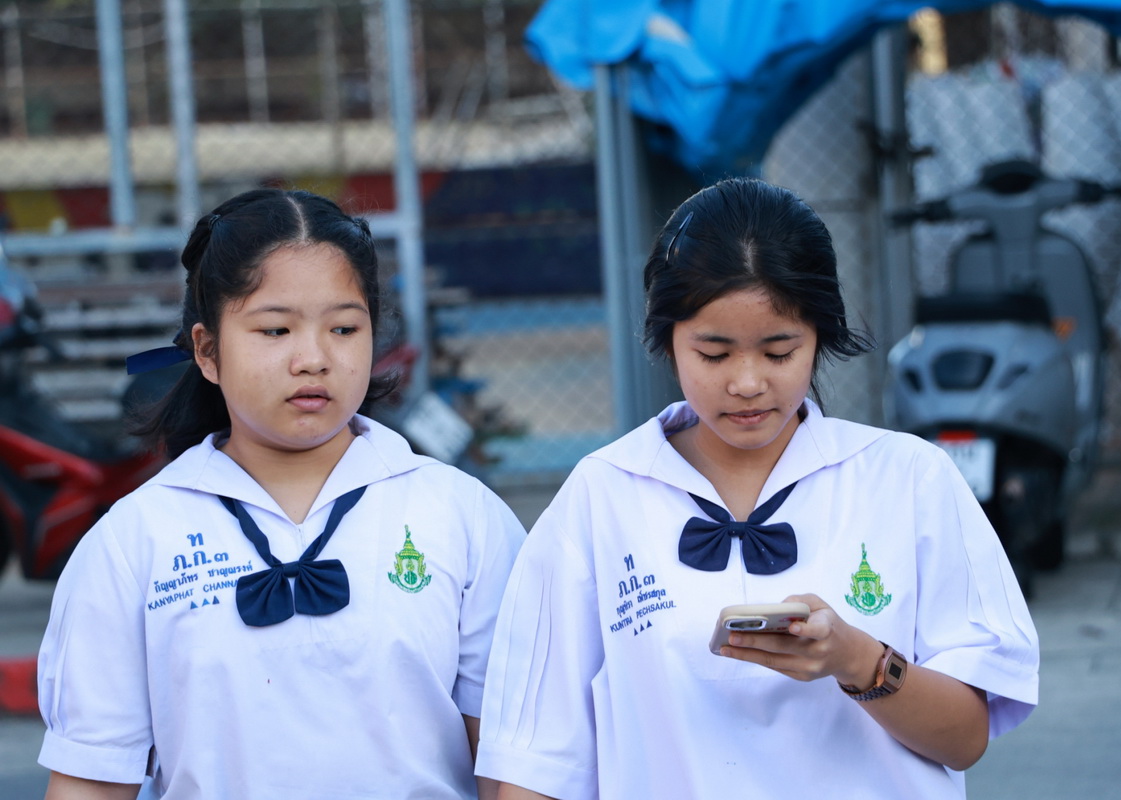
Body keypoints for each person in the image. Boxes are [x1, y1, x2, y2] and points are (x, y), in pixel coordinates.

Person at [475, 178, 1038, 799]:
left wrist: (857, 660)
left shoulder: (909, 478)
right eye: (714, 354)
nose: (747, 383)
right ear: (668, 339)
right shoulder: (603, 495)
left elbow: (965, 737)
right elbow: (533, 759)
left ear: (819, 336)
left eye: (778, 351)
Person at [37, 189, 525, 799]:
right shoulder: (134, 540)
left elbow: (514, 765)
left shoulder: (461, 515)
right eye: (275, 329)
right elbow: (89, 784)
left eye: (344, 328)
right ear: (208, 351)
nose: (313, 359)